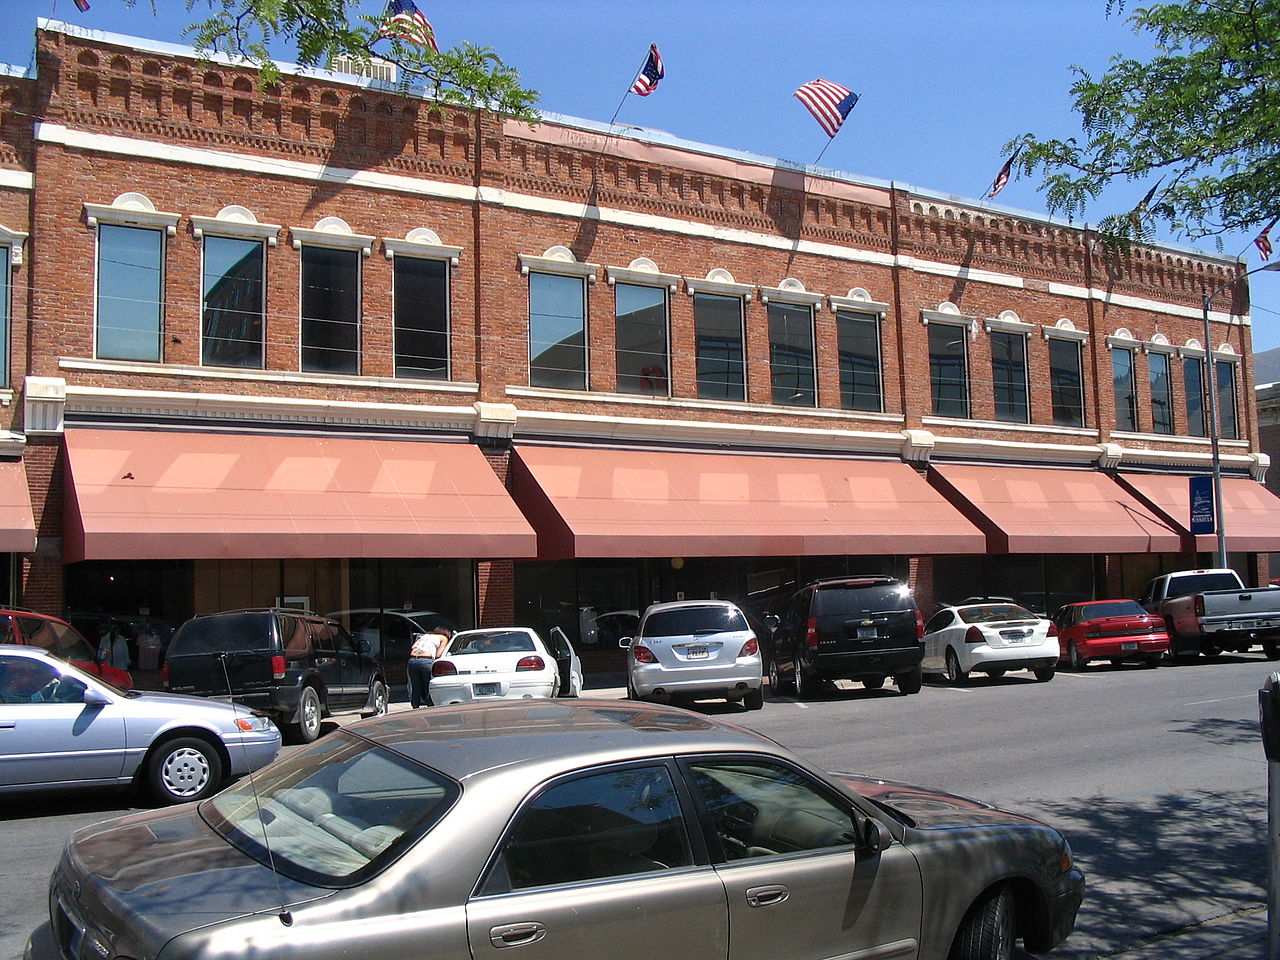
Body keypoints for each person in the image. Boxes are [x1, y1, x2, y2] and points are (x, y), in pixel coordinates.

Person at [407, 626, 453, 708]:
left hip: (412, 660)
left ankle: (415, 706)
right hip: (426, 660)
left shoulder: (425, 636)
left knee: (415, 686)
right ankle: (430, 705)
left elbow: (413, 647)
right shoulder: (443, 638)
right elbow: (438, 654)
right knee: (428, 685)